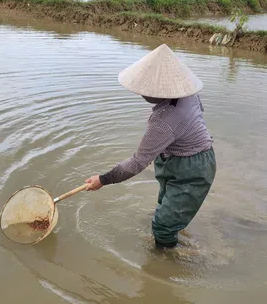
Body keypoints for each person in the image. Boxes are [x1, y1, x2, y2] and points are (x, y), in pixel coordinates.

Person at [85, 44, 216, 250]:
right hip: (175, 160)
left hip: (194, 168)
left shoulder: (164, 120)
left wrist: (103, 179)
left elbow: (137, 163)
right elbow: (199, 113)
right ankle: (174, 230)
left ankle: (165, 265)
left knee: (162, 226)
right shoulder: (189, 95)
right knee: (164, 208)